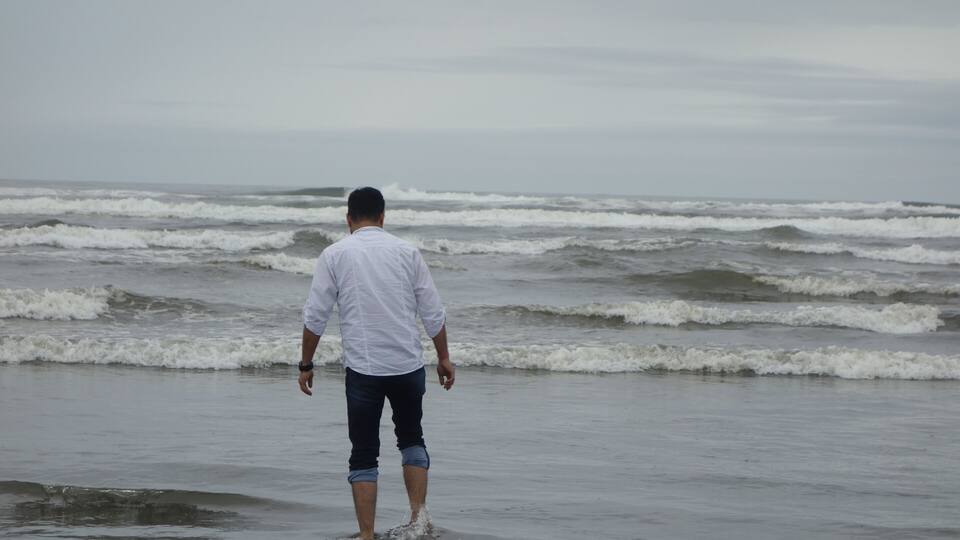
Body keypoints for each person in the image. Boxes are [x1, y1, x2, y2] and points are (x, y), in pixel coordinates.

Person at [298, 186, 455, 540]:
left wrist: (305, 364)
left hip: (364, 371)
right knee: (412, 439)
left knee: (364, 454)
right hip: (408, 367)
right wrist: (443, 357)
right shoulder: (406, 252)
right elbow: (433, 311)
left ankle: (367, 535)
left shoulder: (334, 254)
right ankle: (419, 521)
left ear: (349, 219)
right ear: (383, 217)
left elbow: (315, 315)